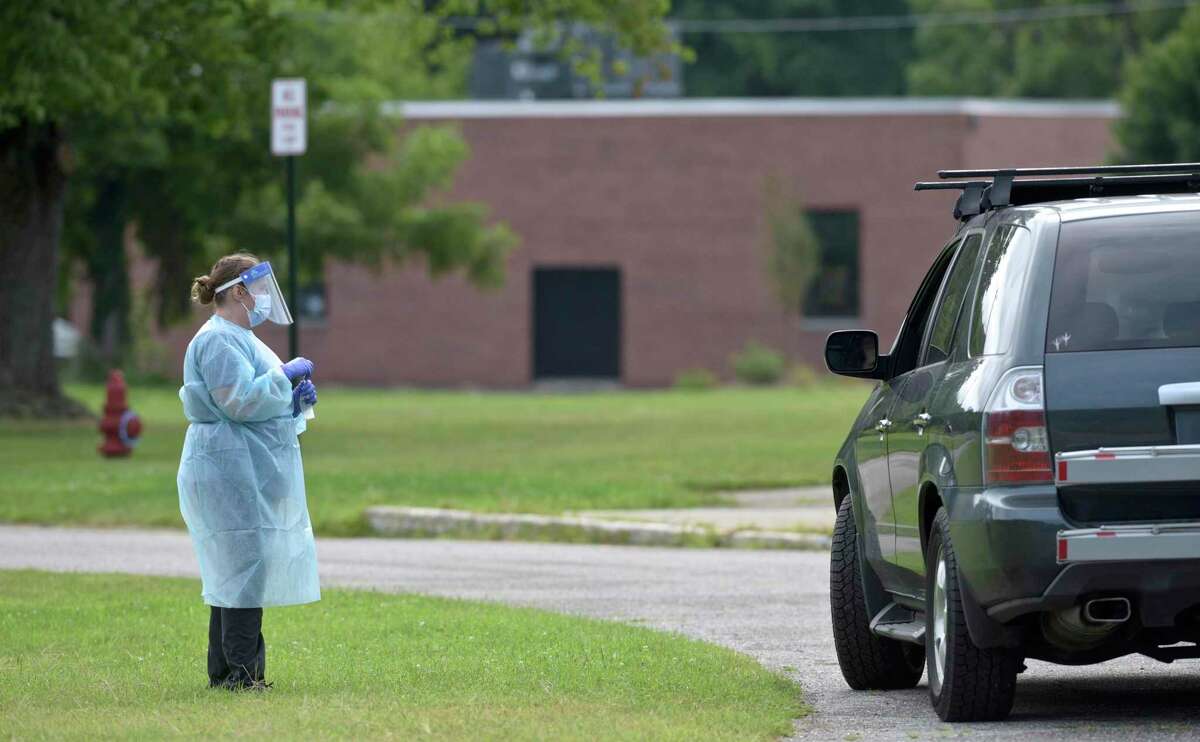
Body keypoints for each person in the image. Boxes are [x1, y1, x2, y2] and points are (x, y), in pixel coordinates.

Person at [177, 253, 321, 691]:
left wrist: (291, 404)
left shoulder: (240, 338)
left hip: (241, 466)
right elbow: (237, 401)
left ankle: (228, 673)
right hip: (226, 468)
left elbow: (256, 404)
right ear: (238, 291)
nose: (263, 298)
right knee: (241, 570)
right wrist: (283, 378)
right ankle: (241, 675)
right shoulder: (218, 340)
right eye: (258, 289)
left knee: (237, 570)